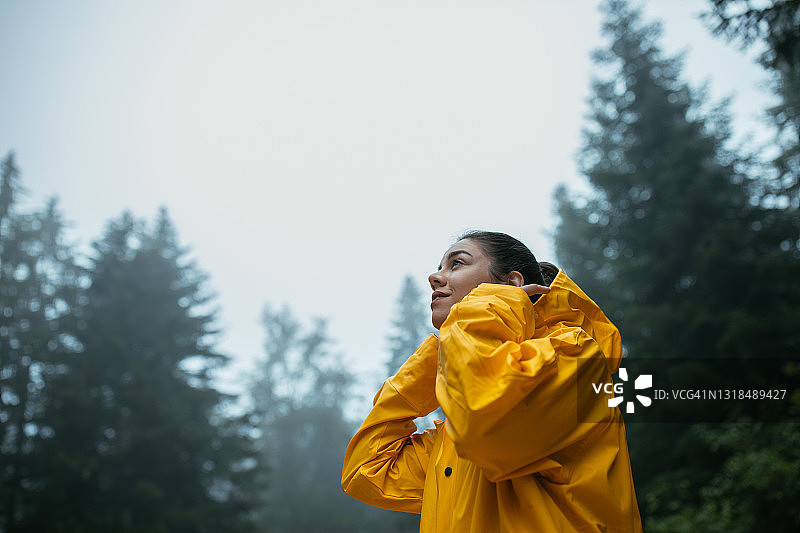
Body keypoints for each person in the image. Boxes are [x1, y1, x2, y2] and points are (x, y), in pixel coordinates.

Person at [341, 230, 643, 532]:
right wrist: (433, 363)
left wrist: (479, 317)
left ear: (512, 283)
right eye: (439, 267)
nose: (434, 277)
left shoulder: (573, 354)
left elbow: (485, 423)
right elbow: (366, 470)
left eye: (457, 263)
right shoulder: (451, 436)